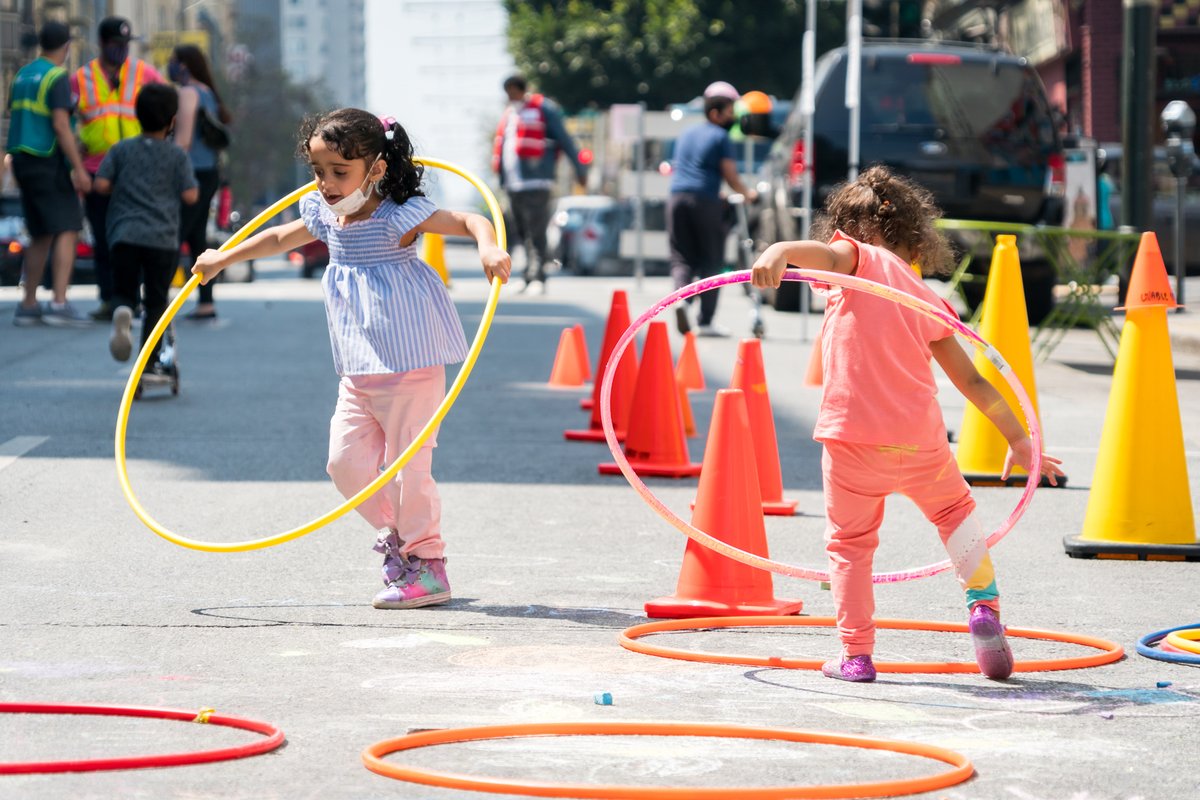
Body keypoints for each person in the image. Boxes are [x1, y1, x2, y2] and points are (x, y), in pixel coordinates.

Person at [750, 165, 1065, 683]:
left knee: (850, 546)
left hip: (852, 442)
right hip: (919, 442)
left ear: (855, 230)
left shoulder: (855, 258)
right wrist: (1021, 440)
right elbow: (975, 383)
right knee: (956, 512)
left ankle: (857, 656)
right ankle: (983, 606)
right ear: (914, 237)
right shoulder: (926, 297)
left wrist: (778, 252)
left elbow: (826, 257)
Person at [192, 109, 511, 609]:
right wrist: (221, 257)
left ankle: (428, 566)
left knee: (410, 471)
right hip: (358, 365)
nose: (327, 183)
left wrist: (489, 249)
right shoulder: (324, 213)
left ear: (376, 169)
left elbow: (472, 219)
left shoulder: (397, 215)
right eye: (319, 171)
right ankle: (400, 535)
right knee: (343, 465)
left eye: (340, 171)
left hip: (411, 360)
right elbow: (278, 237)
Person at [96, 84, 198, 379]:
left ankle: (122, 311)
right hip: (161, 238)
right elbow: (191, 194)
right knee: (156, 301)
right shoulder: (176, 156)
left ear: (137, 116)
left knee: (123, 289)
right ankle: (148, 363)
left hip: (124, 233)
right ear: (172, 121)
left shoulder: (121, 149)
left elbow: (100, 184)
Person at [71, 16, 164, 321]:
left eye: (125, 45)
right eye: (115, 45)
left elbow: (167, 103)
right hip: (97, 170)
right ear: (101, 44)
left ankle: (130, 299)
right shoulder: (81, 79)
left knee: (133, 237)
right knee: (103, 237)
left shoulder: (142, 73)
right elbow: (65, 121)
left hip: (135, 170)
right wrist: (76, 158)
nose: (121, 50)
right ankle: (109, 299)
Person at [4, 21, 92, 326]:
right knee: (69, 225)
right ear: (67, 47)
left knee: (41, 232)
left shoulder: (22, 75)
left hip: (22, 161)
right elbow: (59, 124)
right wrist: (79, 169)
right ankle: (58, 301)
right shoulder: (57, 77)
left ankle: (29, 304)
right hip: (47, 159)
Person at [668, 81, 758, 337]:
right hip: (705, 201)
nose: (732, 117)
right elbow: (730, 175)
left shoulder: (687, 134)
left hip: (677, 199)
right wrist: (747, 193)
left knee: (681, 257)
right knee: (711, 259)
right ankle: (705, 320)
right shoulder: (721, 136)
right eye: (729, 111)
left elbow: (690, 169)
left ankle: (683, 302)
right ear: (716, 113)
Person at [492, 74, 586, 295]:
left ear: (522, 89)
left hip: (537, 181)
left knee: (536, 231)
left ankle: (538, 278)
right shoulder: (510, 114)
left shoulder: (543, 109)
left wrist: (580, 169)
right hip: (514, 184)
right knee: (522, 231)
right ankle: (527, 275)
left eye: (514, 91)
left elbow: (565, 138)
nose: (511, 96)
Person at [169, 44, 231, 321]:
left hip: (191, 173)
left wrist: (168, 173)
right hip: (208, 173)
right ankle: (206, 302)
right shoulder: (207, 92)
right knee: (196, 238)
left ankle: (156, 300)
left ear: (183, 65)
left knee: (175, 234)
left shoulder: (188, 92)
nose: (169, 66)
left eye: (173, 61)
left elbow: (182, 141)